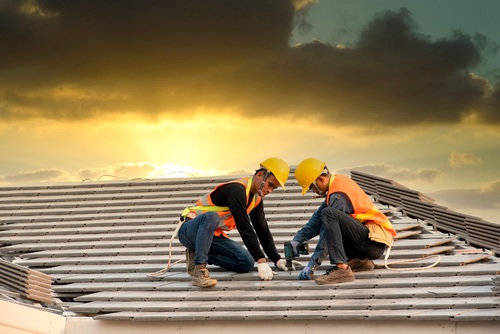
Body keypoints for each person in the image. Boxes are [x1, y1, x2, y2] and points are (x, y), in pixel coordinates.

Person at [178, 157, 291, 288]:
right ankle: (199, 271)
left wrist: (276, 259)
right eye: (270, 185)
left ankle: (196, 254)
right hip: (189, 231)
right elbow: (244, 225)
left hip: (212, 236)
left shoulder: (256, 200)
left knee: (246, 263)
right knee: (211, 217)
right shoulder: (237, 190)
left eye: (274, 188)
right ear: (260, 175)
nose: (270, 190)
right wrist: (261, 260)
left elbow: (262, 230)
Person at [289, 158, 396, 285]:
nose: (313, 191)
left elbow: (327, 234)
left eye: (312, 186)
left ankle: (342, 269)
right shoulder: (336, 186)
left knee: (328, 214)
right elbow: (316, 221)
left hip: (374, 241)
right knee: (326, 214)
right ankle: (361, 261)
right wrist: (296, 240)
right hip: (368, 239)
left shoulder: (339, 196)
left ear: (320, 180)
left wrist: (312, 265)